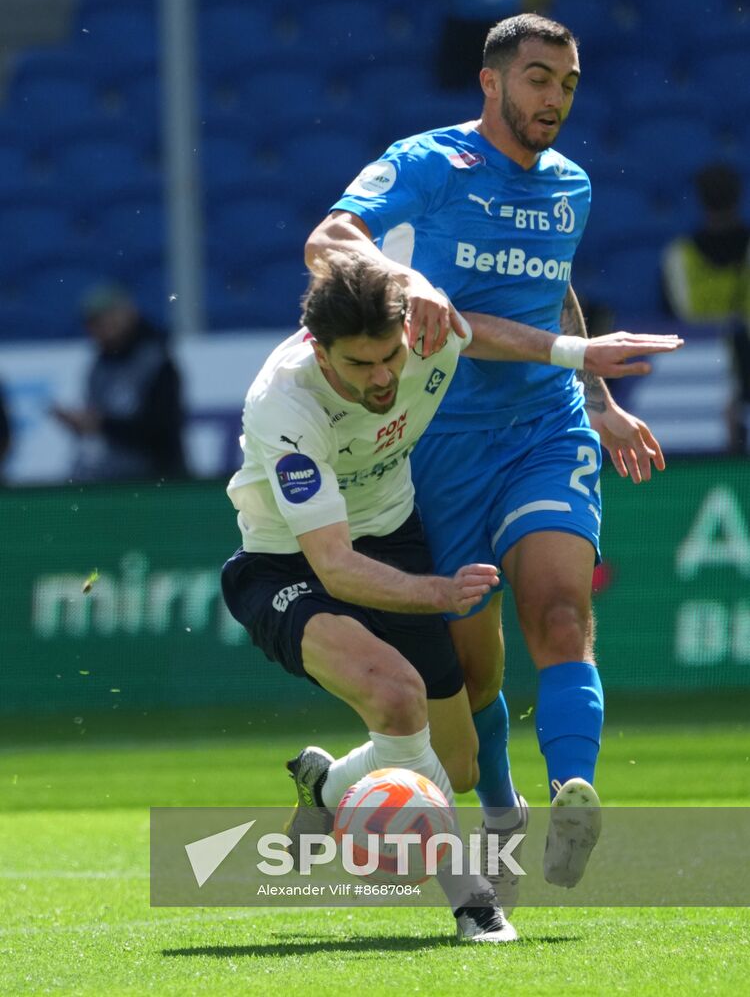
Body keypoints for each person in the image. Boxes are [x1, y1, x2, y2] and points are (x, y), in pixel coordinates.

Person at [306, 13, 670, 897]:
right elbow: (329, 240)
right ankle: (501, 808)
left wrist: (597, 398)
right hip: (438, 443)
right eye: (541, 78)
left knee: (558, 612)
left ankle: (573, 790)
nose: (556, 98)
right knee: (474, 673)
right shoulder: (429, 162)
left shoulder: (571, 186)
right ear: (493, 80)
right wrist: (413, 284)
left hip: (545, 426)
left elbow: (559, 296)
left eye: (570, 83)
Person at [220, 253, 680, 939]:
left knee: (456, 768)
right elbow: (336, 567)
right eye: (359, 366)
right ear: (319, 349)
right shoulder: (282, 406)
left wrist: (583, 368)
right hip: (290, 565)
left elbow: (496, 331)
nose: (381, 379)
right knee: (397, 695)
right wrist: (436, 590)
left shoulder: (427, 335)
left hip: (394, 540)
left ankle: (327, 785)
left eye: (389, 360)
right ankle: (473, 901)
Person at [51, 283, 187, 481]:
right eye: (94, 322)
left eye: (107, 318)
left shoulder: (157, 362)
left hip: (154, 477)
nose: (101, 328)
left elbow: (161, 429)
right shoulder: (99, 366)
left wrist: (101, 424)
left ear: (127, 313)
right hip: (111, 476)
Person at [662, 162, 750, 453]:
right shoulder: (680, 254)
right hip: (709, 367)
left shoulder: (678, 255)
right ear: (738, 197)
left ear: (701, 201)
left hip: (697, 375)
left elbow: (673, 319)